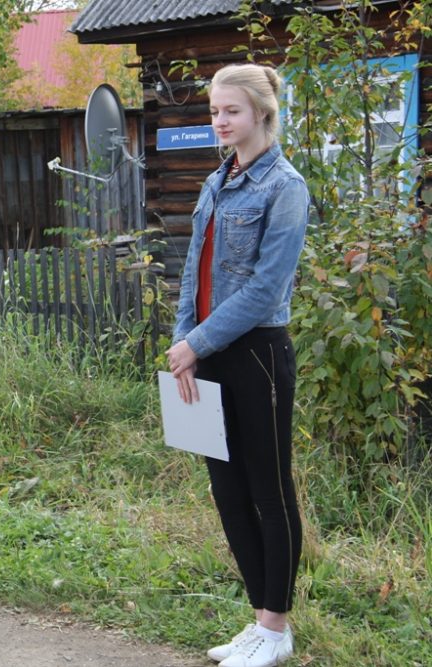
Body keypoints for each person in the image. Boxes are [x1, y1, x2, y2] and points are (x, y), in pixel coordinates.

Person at [166, 63, 309, 667]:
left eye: (231, 111)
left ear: (262, 114)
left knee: (268, 491)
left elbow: (263, 289)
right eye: (215, 111)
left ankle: (277, 628)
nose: (219, 122)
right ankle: (258, 621)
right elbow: (191, 271)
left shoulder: (285, 187)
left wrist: (197, 342)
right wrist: (183, 346)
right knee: (227, 491)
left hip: (257, 353)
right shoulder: (215, 181)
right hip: (205, 352)